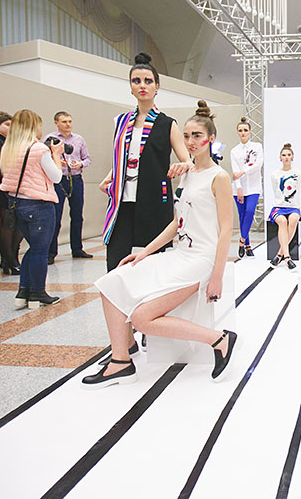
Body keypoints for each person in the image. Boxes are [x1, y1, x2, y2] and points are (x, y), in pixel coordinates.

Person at [84, 102, 237, 389]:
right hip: (180, 254)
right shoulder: (187, 174)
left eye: (197, 136)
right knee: (110, 283)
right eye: (187, 136)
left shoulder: (220, 177)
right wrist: (144, 253)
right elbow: (177, 223)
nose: (190, 142)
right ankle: (121, 360)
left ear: (211, 139)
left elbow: (226, 229)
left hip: (201, 260)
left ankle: (219, 339)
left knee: (142, 319)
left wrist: (217, 275)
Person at [98, 52, 193, 355]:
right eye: (136, 81)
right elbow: (123, 158)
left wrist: (183, 165)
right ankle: (124, 342)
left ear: (156, 87)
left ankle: (153, 326)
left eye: (148, 81)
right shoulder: (121, 122)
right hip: (122, 205)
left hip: (154, 204)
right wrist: (109, 177)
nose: (142, 85)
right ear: (130, 86)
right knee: (114, 271)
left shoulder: (167, 124)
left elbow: (187, 159)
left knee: (155, 269)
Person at [0, 110, 64, 309]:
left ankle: (23, 292)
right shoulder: (38, 149)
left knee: (33, 248)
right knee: (40, 251)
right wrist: (56, 156)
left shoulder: (9, 148)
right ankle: (37, 293)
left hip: (17, 203)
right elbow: (56, 177)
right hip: (39, 205)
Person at [44, 111, 93, 263]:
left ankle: (77, 249)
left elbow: (87, 159)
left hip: (75, 179)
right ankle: (51, 252)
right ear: (56, 123)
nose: (68, 124)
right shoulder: (49, 139)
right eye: (64, 121)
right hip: (58, 180)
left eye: (70, 121)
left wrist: (80, 164)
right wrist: (56, 161)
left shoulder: (78, 139)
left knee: (77, 215)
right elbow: (43, 158)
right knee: (56, 216)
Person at [0, 111, 23, 276]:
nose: (10, 128)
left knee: (17, 224)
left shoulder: (10, 142)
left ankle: (12, 256)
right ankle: (9, 259)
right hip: (0, 188)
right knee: (5, 223)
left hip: (15, 188)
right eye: (7, 125)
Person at [268, 143, 301, 271]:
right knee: (283, 222)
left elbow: (297, 193)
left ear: (292, 157)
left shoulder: (298, 174)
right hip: (279, 207)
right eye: (284, 155)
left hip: (293, 207)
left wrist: (299, 211)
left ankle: (279, 255)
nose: (286, 157)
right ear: (280, 158)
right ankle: (287, 257)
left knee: (294, 219)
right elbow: (276, 192)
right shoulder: (275, 174)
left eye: (289, 155)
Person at [230, 117, 263, 259]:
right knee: (243, 216)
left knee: (250, 211)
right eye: (240, 130)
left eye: (245, 130)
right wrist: (238, 188)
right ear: (237, 132)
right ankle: (248, 246)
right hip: (239, 188)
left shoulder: (257, 147)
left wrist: (243, 171)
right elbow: (235, 170)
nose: (243, 133)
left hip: (254, 187)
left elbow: (258, 164)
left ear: (250, 132)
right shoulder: (234, 151)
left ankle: (241, 241)